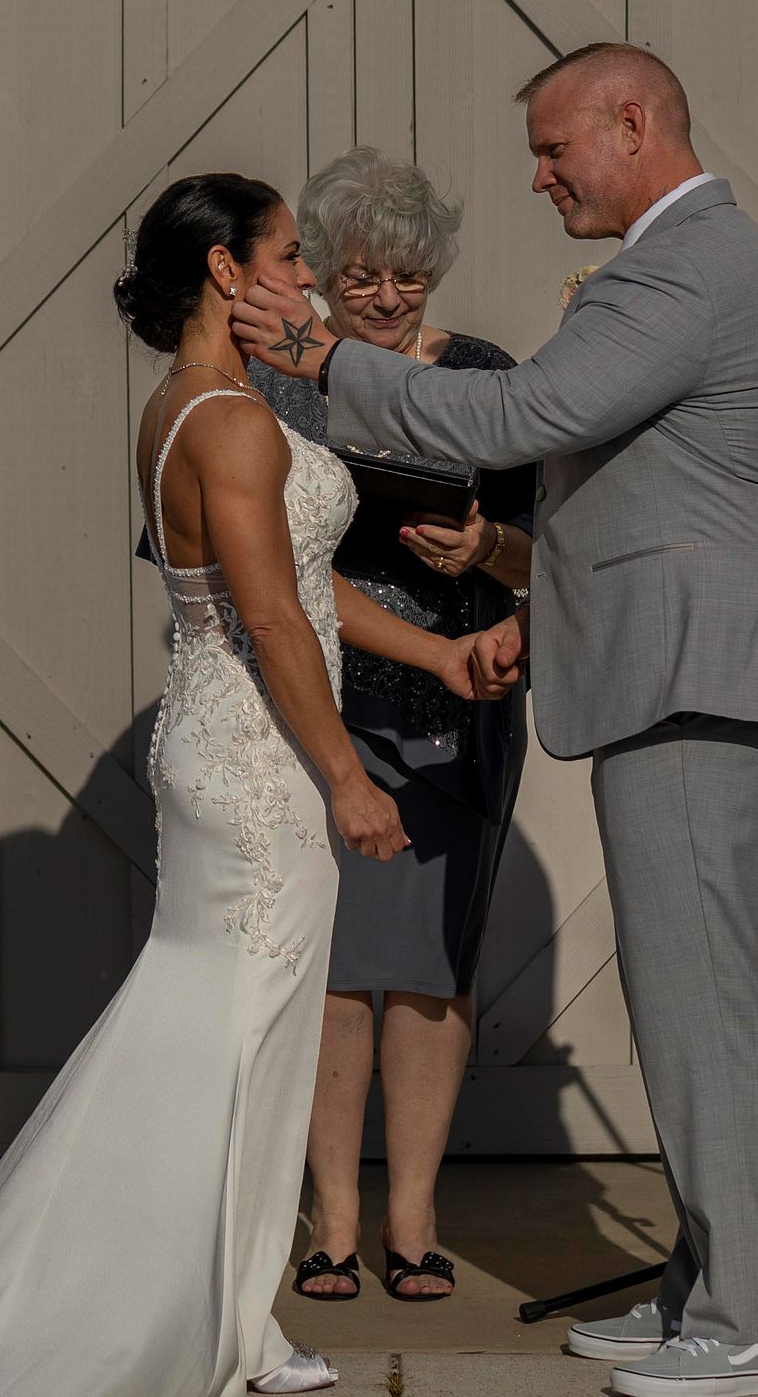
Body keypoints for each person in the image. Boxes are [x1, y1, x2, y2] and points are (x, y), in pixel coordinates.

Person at [0, 174, 506, 1397]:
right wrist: (348, 778)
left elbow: (299, 586)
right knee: (226, 1036)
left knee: (245, 1037)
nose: (306, 278)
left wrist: (441, 650)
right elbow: (276, 621)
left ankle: (236, 1313)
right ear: (227, 274)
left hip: (223, 740)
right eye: (289, 257)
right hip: (257, 757)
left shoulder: (195, 405)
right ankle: (168, 1311)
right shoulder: (230, 422)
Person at [232, 45, 758, 1397]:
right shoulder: (685, 263)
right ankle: (706, 1287)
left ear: (633, 125)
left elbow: (529, 411)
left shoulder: (684, 264)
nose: (539, 170)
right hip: (683, 663)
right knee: (683, 993)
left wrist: (329, 354)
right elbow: (630, 489)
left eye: (557, 145)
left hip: (707, 670)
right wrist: (532, 595)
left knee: (705, 1004)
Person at [251, 148, 534, 1303]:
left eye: (407, 277)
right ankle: (333, 1218)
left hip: (461, 705)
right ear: (317, 269)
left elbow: (539, 544)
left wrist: (490, 555)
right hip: (322, 706)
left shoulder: (484, 374)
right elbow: (256, 563)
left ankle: (412, 1216)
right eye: (360, 275)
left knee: (429, 970)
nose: (383, 296)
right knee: (332, 968)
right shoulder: (275, 375)